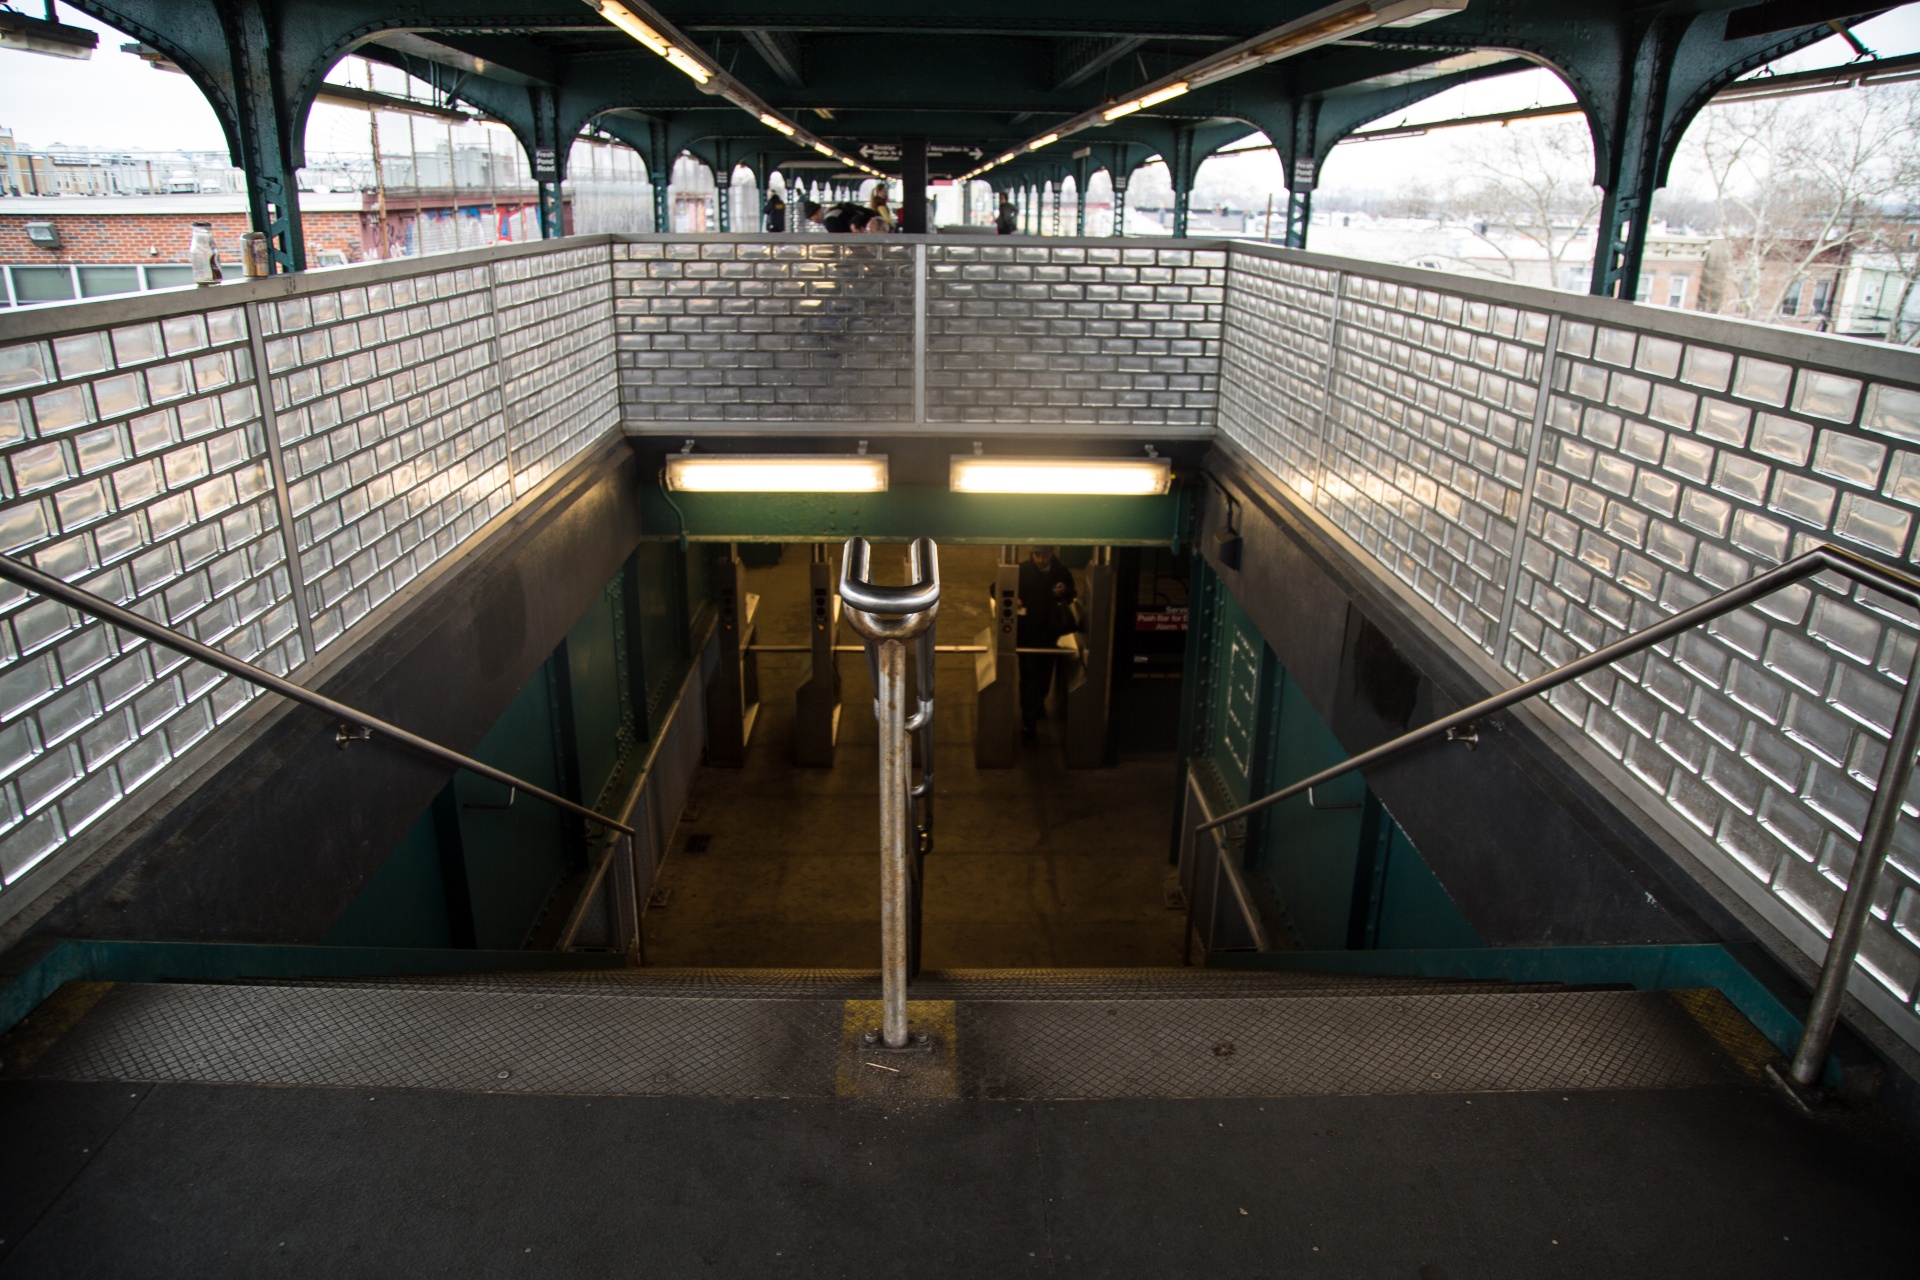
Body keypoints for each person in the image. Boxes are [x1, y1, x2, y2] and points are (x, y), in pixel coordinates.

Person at [1016, 545, 1077, 740]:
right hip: (1027, 633)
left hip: (1050, 634)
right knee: (1029, 677)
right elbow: (996, 587)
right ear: (1032, 554)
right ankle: (1029, 721)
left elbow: (1072, 594)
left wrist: (1064, 593)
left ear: (1052, 554)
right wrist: (1013, 597)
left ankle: (1039, 701)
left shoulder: (1061, 572)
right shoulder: (1022, 570)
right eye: (1037, 555)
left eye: (1045, 556)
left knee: (1044, 675)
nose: (1041, 560)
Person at [806, 199, 886, 234]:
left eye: (811, 218)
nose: (813, 221)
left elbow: (839, 241)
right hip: (870, 232)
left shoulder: (830, 220)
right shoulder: (836, 210)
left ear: (816, 213)